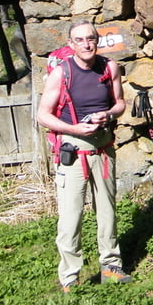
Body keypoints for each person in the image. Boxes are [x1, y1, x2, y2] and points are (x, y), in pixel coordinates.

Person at [37, 21, 132, 290]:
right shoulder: (61, 73)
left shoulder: (109, 68)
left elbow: (120, 102)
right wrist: (73, 128)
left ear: (97, 41)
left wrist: (110, 114)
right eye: (80, 40)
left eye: (91, 39)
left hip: (102, 150)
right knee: (70, 218)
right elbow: (43, 115)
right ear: (71, 44)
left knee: (108, 213)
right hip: (73, 152)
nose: (87, 44)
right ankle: (70, 279)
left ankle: (111, 269)